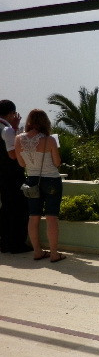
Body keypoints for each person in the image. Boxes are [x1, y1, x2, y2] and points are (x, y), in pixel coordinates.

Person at [14, 109, 65, 263]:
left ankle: (37, 251)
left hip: (32, 181)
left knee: (33, 216)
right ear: (45, 122)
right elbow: (57, 163)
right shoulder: (50, 140)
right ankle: (54, 253)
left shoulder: (18, 139)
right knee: (51, 217)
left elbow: (21, 164)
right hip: (51, 180)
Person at [0, 99, 31, 253]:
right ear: (12, 113)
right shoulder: (7, 130)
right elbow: (13, 153)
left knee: (6, 208)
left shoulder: (6, 128)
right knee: (19, 208)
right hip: (12, 174)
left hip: (2, 175)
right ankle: (16, 243)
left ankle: (5, 242)